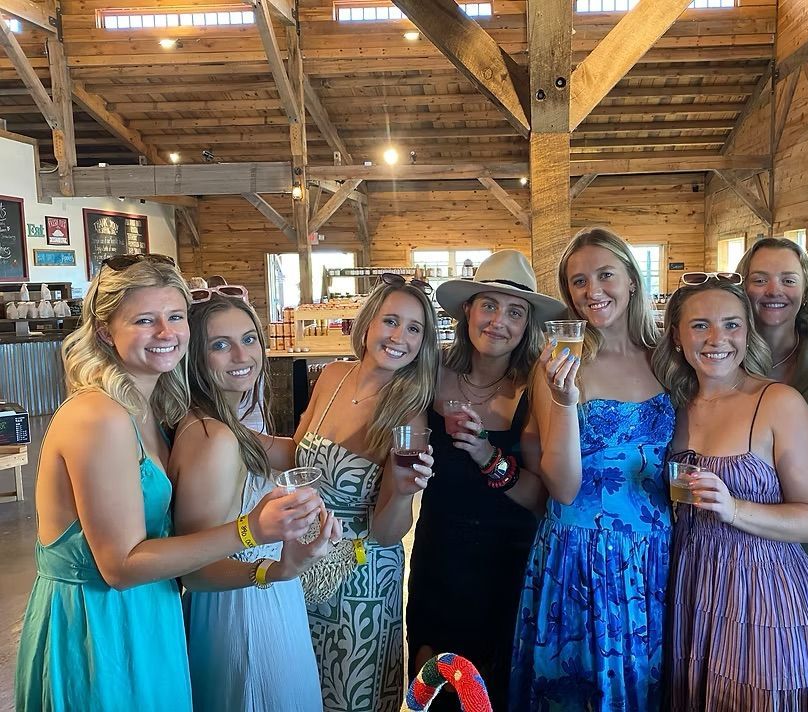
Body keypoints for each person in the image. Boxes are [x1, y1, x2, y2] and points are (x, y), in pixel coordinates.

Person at [15, 254, 320, 711]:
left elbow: (280, 446)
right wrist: (251, 530)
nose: (166, 332)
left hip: (152, 614)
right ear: (103, 332)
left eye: (175, 316)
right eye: (144, 320)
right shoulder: (99, 416)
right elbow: (120, 566)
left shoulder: (154, 410)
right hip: (98, 630)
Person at [510, 227, 674, 711]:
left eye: (605, 275)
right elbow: (560, 487)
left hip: (654, 554)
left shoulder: (667, 357)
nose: (592, 291)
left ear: (632, 280)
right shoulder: (559, 363)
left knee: (646, 683)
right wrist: (564, 402)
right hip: (579, 552)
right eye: (578, 282)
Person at [652, 273, 808, 710]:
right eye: (700, 326)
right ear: (676, 336)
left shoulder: (778, 402)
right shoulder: (673, 407)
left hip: (766, 589)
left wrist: (735, 509)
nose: (718, 338)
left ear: (748, 332)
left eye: (732, 324)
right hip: (694, 582)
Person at [260, 273, 440, 712]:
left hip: (361, 578)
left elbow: (386, 534)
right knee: (299, 681)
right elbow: (296, 458)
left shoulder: (409, 410)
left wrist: (400, 493)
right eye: (391, 321)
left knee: (347, 692)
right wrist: (234, 435)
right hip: (304, 557)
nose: (400, 337)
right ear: (368, 324)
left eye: (414, 328)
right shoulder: (333, 376)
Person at [406, 250, 565, 711]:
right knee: (432, 688)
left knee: (492, 690)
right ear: (468, 312)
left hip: (506, 568)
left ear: (528, 325)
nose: (499, 321)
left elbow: (541, 498)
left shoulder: (536, 387)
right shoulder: (431, 370)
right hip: (437, 559)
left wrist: (485, 454)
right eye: (489, 306)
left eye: (515, 312)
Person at [171, 288, 341, 711]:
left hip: (261, 601)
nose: (241, 356)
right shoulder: (213, 437)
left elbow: (292, 450)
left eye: (249, 339)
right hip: (243, 614)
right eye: (220, 345)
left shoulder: (224, 422)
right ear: (195, 357)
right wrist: (280, 569)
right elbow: (195, 570)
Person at [736, 237, 808, 570]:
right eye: (760, 279)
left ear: (806, 289)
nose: (773, 290)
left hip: (798, 545)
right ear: (743, 287)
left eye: (788, 280)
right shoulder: (718, 360)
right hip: (724, 541)